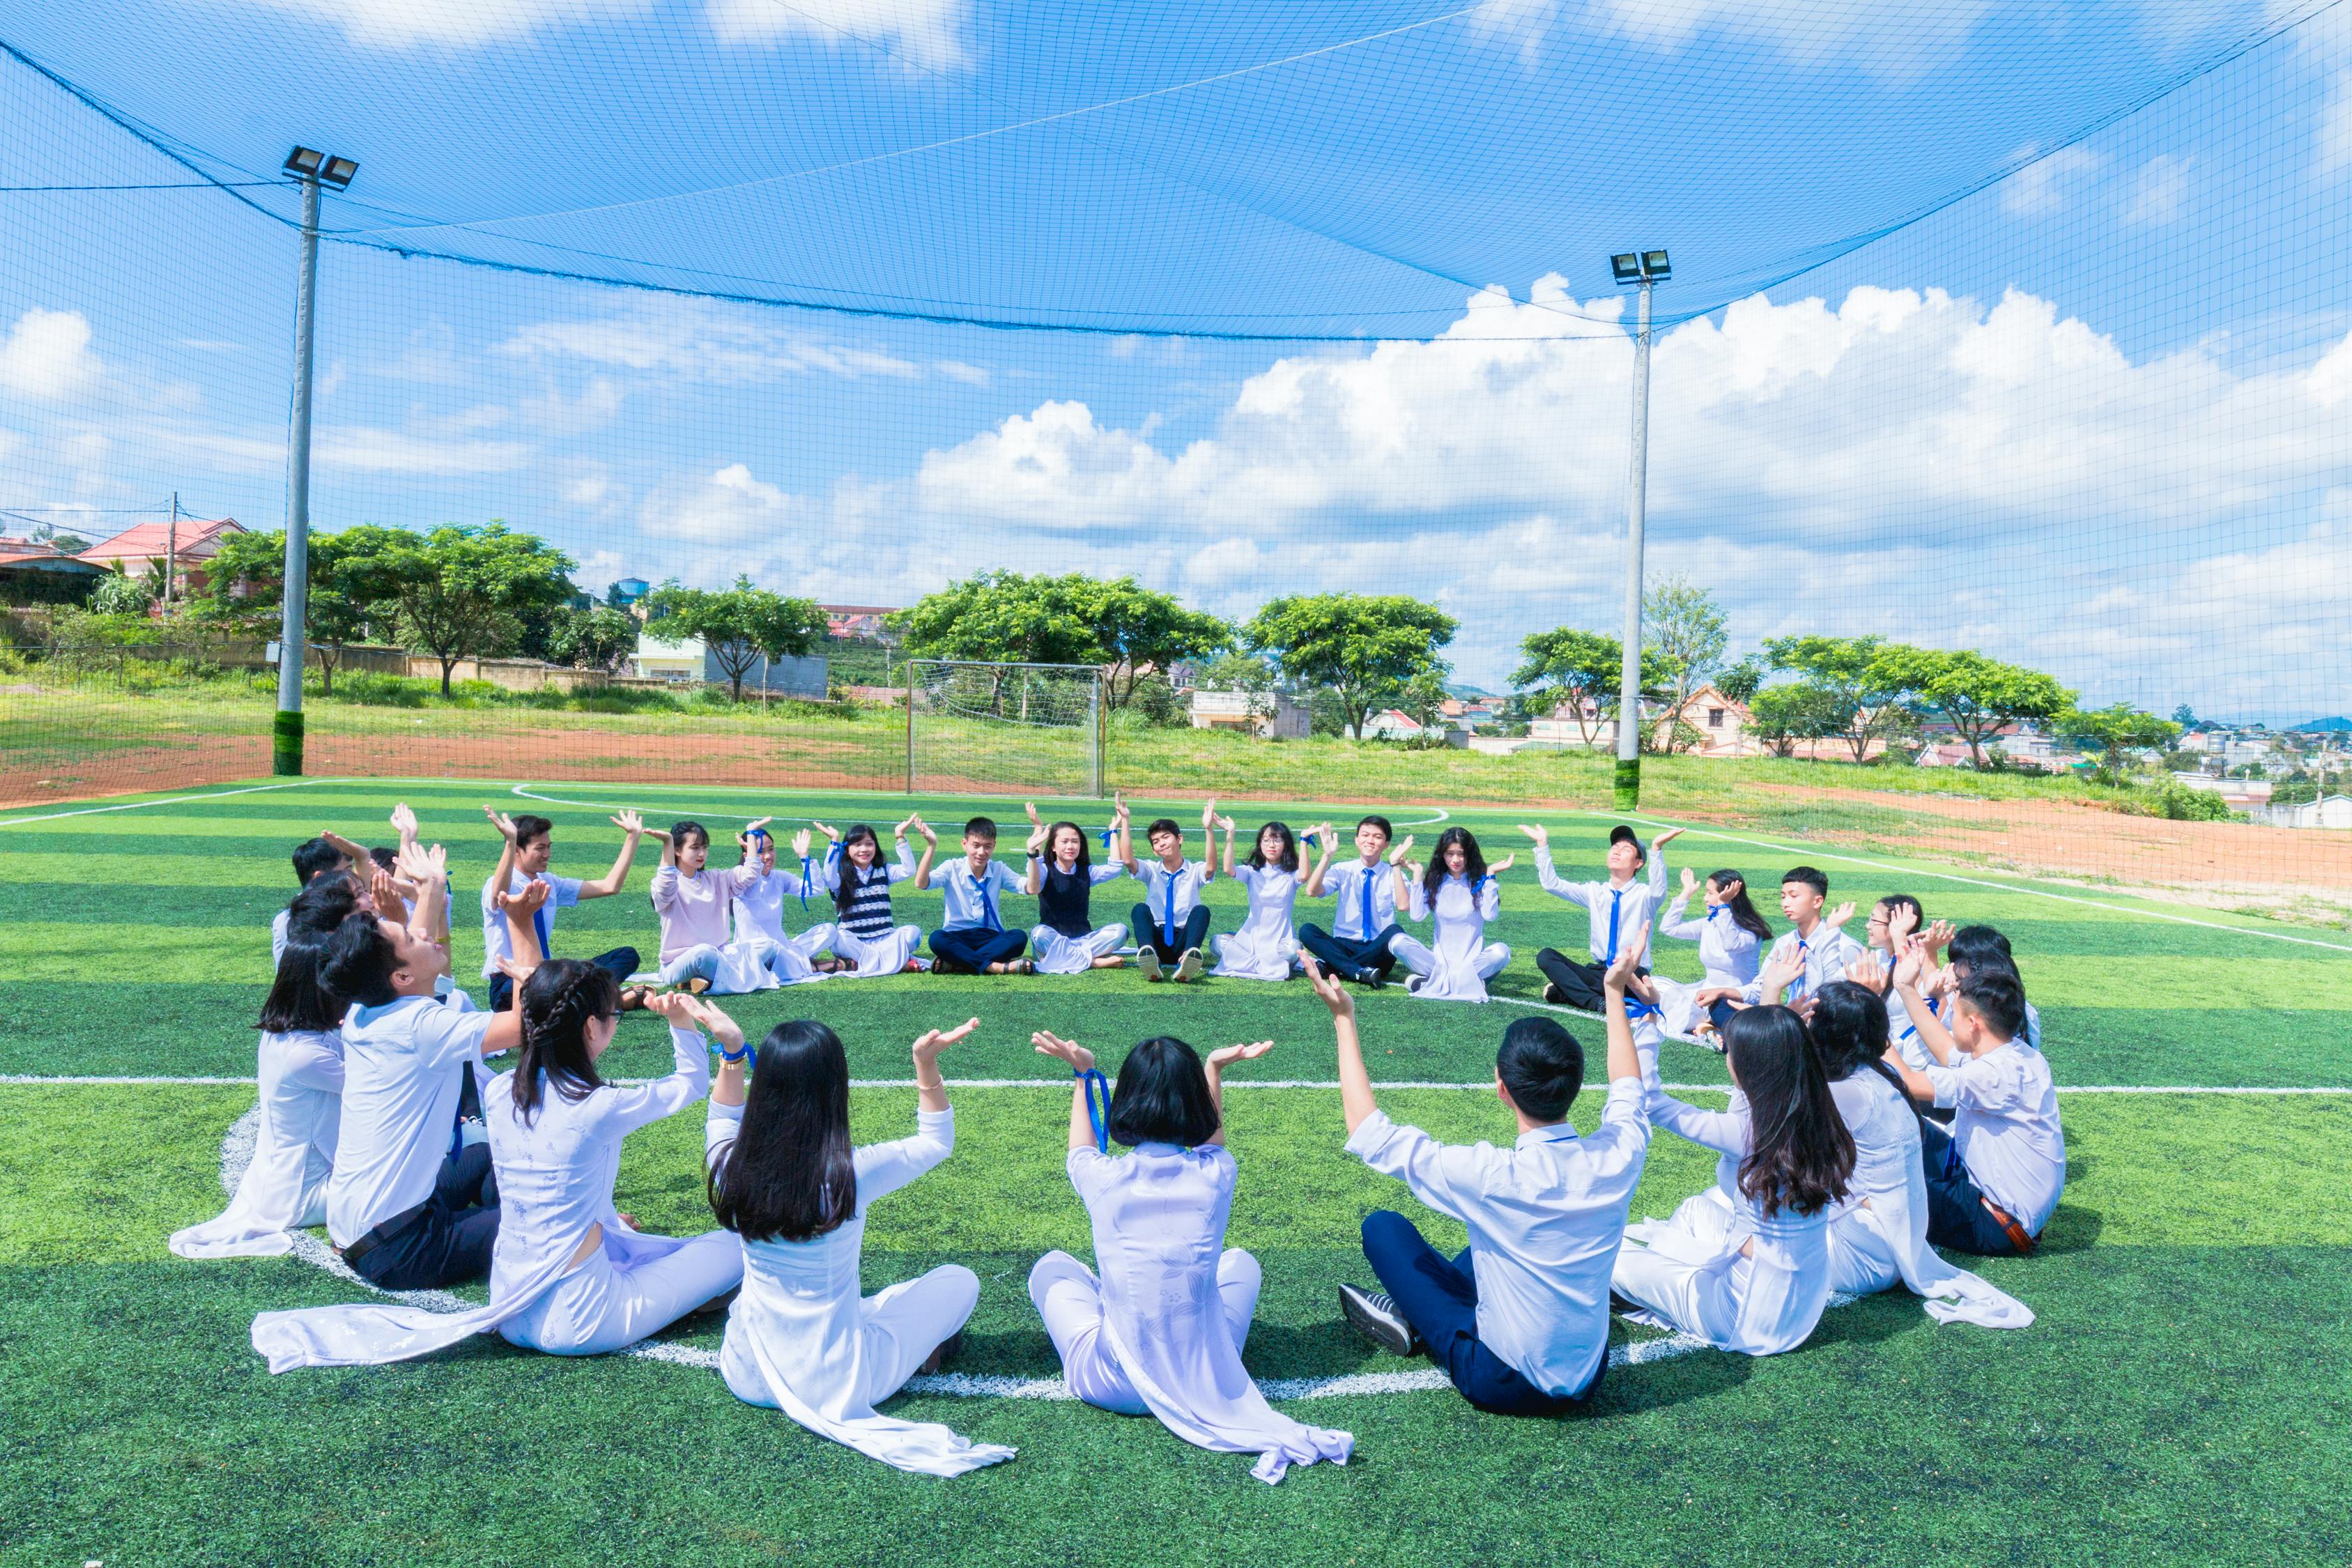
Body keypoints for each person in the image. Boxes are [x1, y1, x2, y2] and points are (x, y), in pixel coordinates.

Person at [248, 978, 746, 1371]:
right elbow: (689, 1085)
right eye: (613, 1015)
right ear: (592, 1028)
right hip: (584, 1322)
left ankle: (685, 1294)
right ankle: (692, 1298)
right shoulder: (600, 1106)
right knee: (733, 1247)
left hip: (510, 1309)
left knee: (641, 1248)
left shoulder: (500, 1090)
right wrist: (691, 1028)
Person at [1320, 948, 1648, 1416]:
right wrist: (1613, 992)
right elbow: (1628, 1089)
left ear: (1501, 1087)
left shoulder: (1492, 1175)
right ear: (1575, 1085)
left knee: (1383, 1228)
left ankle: (1413, 1324)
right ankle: (1422, 1316)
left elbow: (1368, 1132)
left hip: (1502, 1381)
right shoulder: (1618, 1155)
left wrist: (1343, 1019)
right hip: (1590, 1376)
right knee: (1488, 1243)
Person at [1027, 1030, 1352, 1483]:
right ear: (1195, 1102)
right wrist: (1213, 1069)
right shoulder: (1216, 1173)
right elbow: (1212, 1142)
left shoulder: (1100, 1177)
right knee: (1241, 1262)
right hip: (1208, 1379)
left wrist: (1083, 1073)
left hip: (1111, 1383)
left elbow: (1079, 1149)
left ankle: (1108, 1303)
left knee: (1052, 1266)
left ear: (1126, 1099)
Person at [707, 1014, 1013, 1476]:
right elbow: (935, 1143)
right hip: (838, 1379)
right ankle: (921, 1351)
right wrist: (924, 1064)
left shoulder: (730, 1165)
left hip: (746, 1371)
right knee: (958, 1282)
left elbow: (722, 1118)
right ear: (834, 1088)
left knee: (878, 1302)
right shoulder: (848, 1173)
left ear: (764, 1085)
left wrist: (732, 1053)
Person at [314, 843, 525, 1291]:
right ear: (402, 978)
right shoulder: (420, 1025)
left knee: (489, 1155)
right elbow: (526, 1026)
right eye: (409, 936)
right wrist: (521, 929)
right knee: (563, 1221)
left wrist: (431, 886)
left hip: (363, 1230)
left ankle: (507, 1219)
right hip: (403, 1249)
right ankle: (533, 1228)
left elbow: (415, 957)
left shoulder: (366, 1009)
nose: (421, 933)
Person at [1609, 983, 1854, 1357]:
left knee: (1612, 1261)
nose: (1725, 1055)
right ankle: (1672, 1279)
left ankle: (1664, 1288)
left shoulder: (1746, 1132)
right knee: (1694, 1209)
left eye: (1730, 1050)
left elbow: (1650, 1101)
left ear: (1749, 1065)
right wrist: (1781, 1025)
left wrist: (1645, 1024)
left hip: (1745, 1311)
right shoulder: (1820, 1112)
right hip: (1804, 1301)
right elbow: (1771, 1070)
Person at [1808, 972, 2032, 1328]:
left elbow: (1758, 1106)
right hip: (1900, 1241)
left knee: (1723, 1212)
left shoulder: (1847, 1092)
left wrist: (1780, 1009)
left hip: (1875, 1251)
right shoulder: (1880, 1076)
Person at [172, 927, 348, 1259]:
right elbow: (377, 1085)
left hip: (291, 1179)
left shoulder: (284, 1035)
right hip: (302, 1192)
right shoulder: (304, 1055)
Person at [1880, 949, 2064, 1256]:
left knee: (1882, 1184)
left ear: (1973, 1024)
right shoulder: (2015, 1053)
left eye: (1955, 1014)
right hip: (1990, 1198)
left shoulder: (1994, 1074)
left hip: (1994, 1223)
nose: (1951, 1019)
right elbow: (1947, 1050)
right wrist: (1906, 989)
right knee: (1902, 1120)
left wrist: (1869, 1014)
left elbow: (1908, 1082)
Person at [480, 806, 648, 1013]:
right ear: (517, 849)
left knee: (626, 955)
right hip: (509, 983)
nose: (547, 854)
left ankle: (588, 999)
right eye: (540, 848)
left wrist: (633, 837)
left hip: (546, 977)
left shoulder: (550, 882)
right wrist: (509, 841)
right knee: (558, 986)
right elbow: (500, 895)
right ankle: (601, 999)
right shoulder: (499, 884)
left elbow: (610, 886)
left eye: (549, 847)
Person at [1525, 822, 1682, 1010]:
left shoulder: (1645, 896)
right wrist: (1542, 845)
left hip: (1631, 974)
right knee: (1546, 957)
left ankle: (1576, 995)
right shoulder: (1594, 891)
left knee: (1559, 989)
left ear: (1638, 863)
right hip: (1600, 971)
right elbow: (1552, 884)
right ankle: (1598, 1002)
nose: (1616, 852)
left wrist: (1656, 849)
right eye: (1614, 847)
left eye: (1625, 849)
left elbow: (1659, 891)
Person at [1693, 866, 1861, 1019]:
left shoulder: (1844, 946)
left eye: (1794, 896)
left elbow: (1848, 1005)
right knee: (1721, 1003)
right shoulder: (1785, 943)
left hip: (1825, 1023)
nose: (1786, 903)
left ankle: (1731, 1036)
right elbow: (1760, 987)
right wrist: (1720, 991)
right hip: (1788, 1016)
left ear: (1817, 901)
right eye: (1783, 896)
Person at [1389, 826, 1514, 1001]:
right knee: (1397, 942)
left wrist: (1491, 875)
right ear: (1442, 855)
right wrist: (1417, 875)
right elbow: (1416, 916)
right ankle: (1466, 983)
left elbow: (1490, 915)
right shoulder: (1435, 881)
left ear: (1470, 855)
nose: (1455, 860)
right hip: (1438, 963)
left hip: (1471, 963)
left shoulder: (1479, 882)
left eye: (1461, 854)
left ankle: (1430, 983)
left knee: (1502, 952)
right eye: (1450, 854)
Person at [648, 819, 769, 994]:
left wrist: (751, 833)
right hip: (678, 963)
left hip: (720, 955)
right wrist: (667, 843)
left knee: (766, 947)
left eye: (705, 847)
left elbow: (750, 874)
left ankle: (702, 980)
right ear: (677, 850)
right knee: (704, 954)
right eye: (695, 847)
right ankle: (723, 977)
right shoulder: (668, 884)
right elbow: (666, 884)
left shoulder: (715, 878)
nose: (702, 853)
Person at [813, 817, 932, 976]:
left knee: (913, 934)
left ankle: (863, 964)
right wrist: (834, 842)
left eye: (869, 844)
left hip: (885, 939)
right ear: (847, 849)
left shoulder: (883, 871)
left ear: (876, 846)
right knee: (838, 937)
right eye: (857, 845)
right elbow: (827, 877)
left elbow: (908, 870)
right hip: (855, 942)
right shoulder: (840, 877)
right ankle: (898, 963)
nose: (864, 849)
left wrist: (900, 837)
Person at [1298, 815, 1407, 987]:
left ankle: (1336, 967)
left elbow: (1403, 905)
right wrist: (1327, 856)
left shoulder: (1392, 873)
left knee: (1395, 931)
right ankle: (1359, 972)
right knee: (1307, 931)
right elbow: (1312, 891)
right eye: (1365, 835)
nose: (1370, 841)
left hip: (1378, 949)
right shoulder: (1343, 869)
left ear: (1386, 844)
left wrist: (1396, 866)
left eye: (1377, 837)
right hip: (1344, 944)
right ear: (1357, 840)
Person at [1026, 802, 1131, 974]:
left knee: (1121, 932)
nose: (1070, 846)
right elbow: (1034, 865)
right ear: (1053, 846)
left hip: (1085, 940)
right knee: (1038, 934)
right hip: (1054, 938)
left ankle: (1063, 958)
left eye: (1075, 842)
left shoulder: (1087, 872)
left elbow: (1114, 868)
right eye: (1065, 842)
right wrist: (1038, 828)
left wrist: (1113, 831)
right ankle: (1093, 962)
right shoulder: (1044, 871)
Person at [732, 820, 841, 985]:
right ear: (748, 855)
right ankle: (808, 966)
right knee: (769, 947)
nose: (768, 856)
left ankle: (796, 964)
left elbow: (814, 890)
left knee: (829, 931)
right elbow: (755, 887)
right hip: (755, 951)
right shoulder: (740, 878)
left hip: (782, 949)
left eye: (771, 849)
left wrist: (804, 857)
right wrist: (752, 855)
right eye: (760, 852)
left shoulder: (779, 877)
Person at [921, 815, 1032, 976]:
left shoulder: (999, 869)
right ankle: (997, 967)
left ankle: (957, 964)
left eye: (988, 846)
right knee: (937, 939)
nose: (981, 852)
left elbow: (1030, 888)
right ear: (964, 844)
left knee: (1019, 938)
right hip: (956, 936)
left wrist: (1033, 854)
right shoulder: (952, 867)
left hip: (989, 937)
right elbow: (922, 883)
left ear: (994, 846)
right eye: (976, 845)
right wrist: (931, 846)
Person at [1124, 801, 1220, 982]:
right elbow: (1128, 861)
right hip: (1156, 940)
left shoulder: (1194, 870)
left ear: (1179, 839)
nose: (1161, 843)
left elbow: (1211, 866)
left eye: (1166, 837)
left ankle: (1187, 960)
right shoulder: (1151, 869)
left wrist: (1209, 829)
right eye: (1156, 841)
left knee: (1201, 911)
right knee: (1140, 909)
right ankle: (1149, 958)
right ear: (1153, 850)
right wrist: (1125, 821)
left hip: (1184, 938)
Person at [1211, 817, 1313, 981]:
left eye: (1277, 840)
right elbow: (1228, 869)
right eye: (1266, 841)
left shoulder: (1291, 874)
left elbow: (1304, 875)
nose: (1271, 845)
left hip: (1280, 938)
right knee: (1216, 943)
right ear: (1260, 844)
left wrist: (1303, 840)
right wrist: (1230, 833)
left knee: (1292, 950)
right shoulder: (1252, 872)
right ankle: (1247, 949)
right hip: (1252, 937)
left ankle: (1257, 959)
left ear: (1286, 844)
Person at [1658, 868, 1770, 997]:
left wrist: (1723, 906)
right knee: (1669, 996)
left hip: (1739, 997)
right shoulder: (1709, 924)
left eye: (1710, 893)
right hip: (1707, 992)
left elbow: (1731, 944)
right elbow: (1668, 927)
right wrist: (1687, 892)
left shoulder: (1751, 931)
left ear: (1728, 896)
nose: (1705, 898)